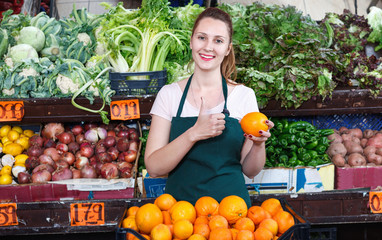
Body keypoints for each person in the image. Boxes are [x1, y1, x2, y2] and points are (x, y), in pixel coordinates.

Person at [144, 7, 273, 207]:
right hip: (179, 219)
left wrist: (258, 144)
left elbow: (250, 170)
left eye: (218, 41)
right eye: (202, 38)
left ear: (228, 48)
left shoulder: (243, 96)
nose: (208, 47)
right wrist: (194, 133)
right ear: (191, 41)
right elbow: (153, 167)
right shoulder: (169, 95)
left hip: (232, 218)